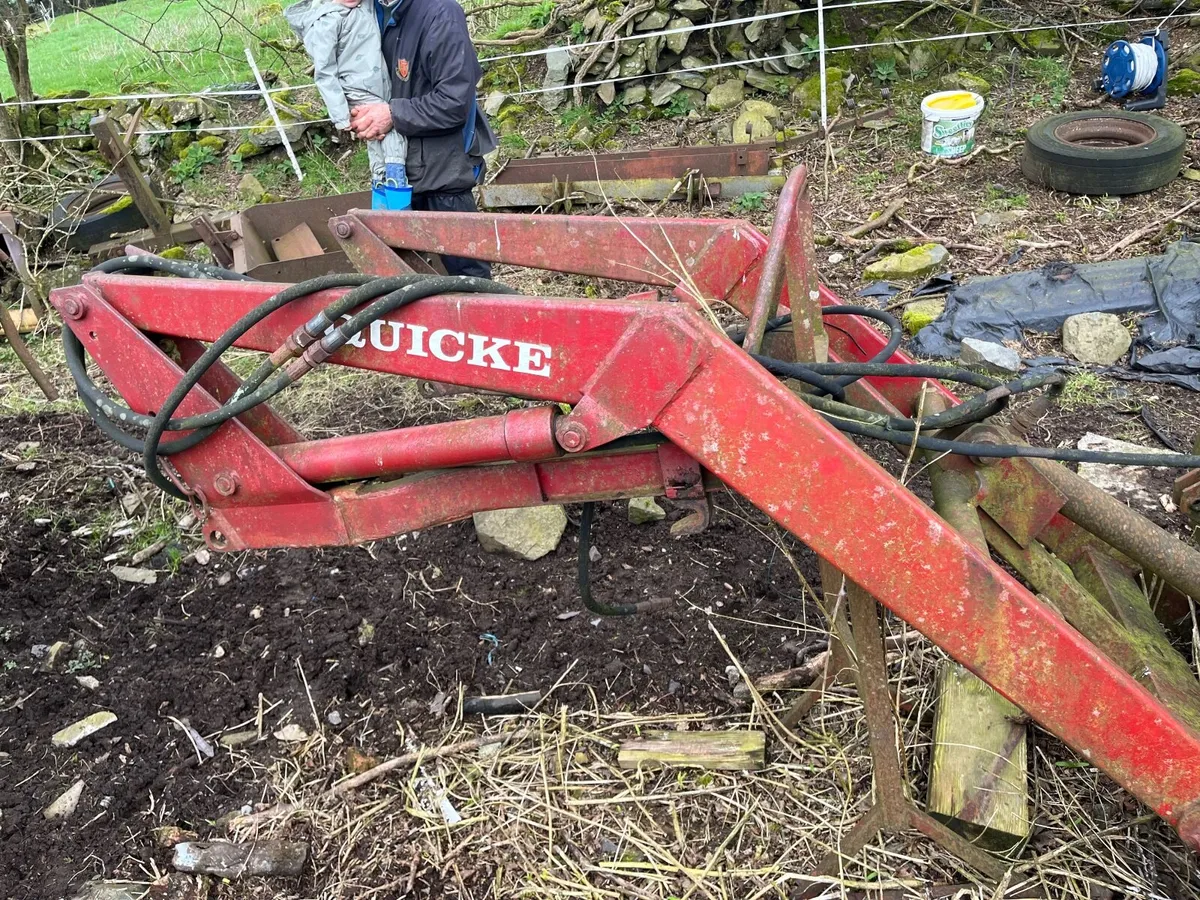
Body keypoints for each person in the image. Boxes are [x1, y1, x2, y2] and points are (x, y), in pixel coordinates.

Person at [349, 0, 495, 278]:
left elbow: (454, 103)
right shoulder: (364, 12)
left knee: (469, 276)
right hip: (393, 175)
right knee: (397, 278)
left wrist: (390, 114)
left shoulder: (441, 13)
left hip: (444, 178)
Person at [284, 0, 411, 210]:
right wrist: (341, 115)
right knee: (393, 139)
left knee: (378, 146)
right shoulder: (328, 21)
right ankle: (398, 205)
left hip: (382, 87)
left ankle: (381, 201)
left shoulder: (367, 5)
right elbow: (324, 73)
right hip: (358, 92)